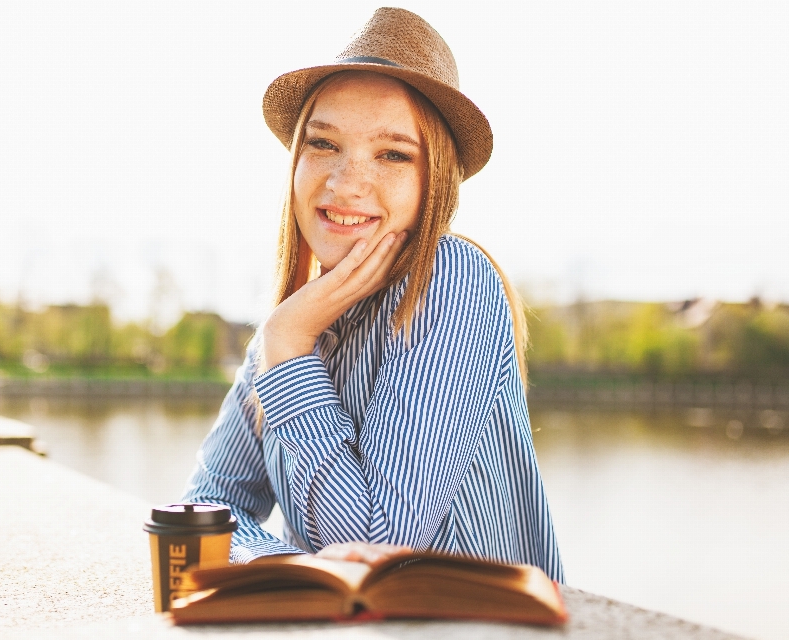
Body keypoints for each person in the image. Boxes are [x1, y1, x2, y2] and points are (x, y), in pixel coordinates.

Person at [182, 7, 564, 582]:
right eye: (323, 144)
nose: (345, 183)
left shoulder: (453, 279)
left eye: (392, 154)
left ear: (435, 181)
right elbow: (203, 509)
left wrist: (286, 348)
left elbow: (374, 548)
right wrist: (287, 563)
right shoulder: (299, 319)